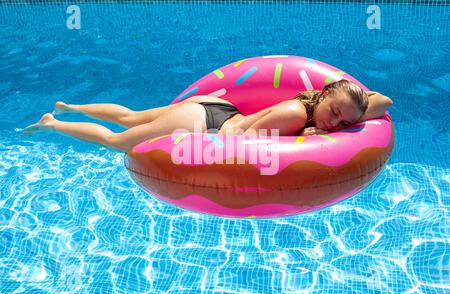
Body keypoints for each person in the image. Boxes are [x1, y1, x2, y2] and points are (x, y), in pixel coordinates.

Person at [23, 79, 393, 153]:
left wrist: (349, 110)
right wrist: (300, 139)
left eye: (344, 122)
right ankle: (54, 122)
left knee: (131, 116)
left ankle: (68, 105)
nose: (336, 124)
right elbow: (243, 142)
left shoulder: (330, 103)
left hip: (216, 109)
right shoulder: (295, 113)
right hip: (205, 123)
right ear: (324, 96)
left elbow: (384, 102)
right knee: (118, 142)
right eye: (333, 113)